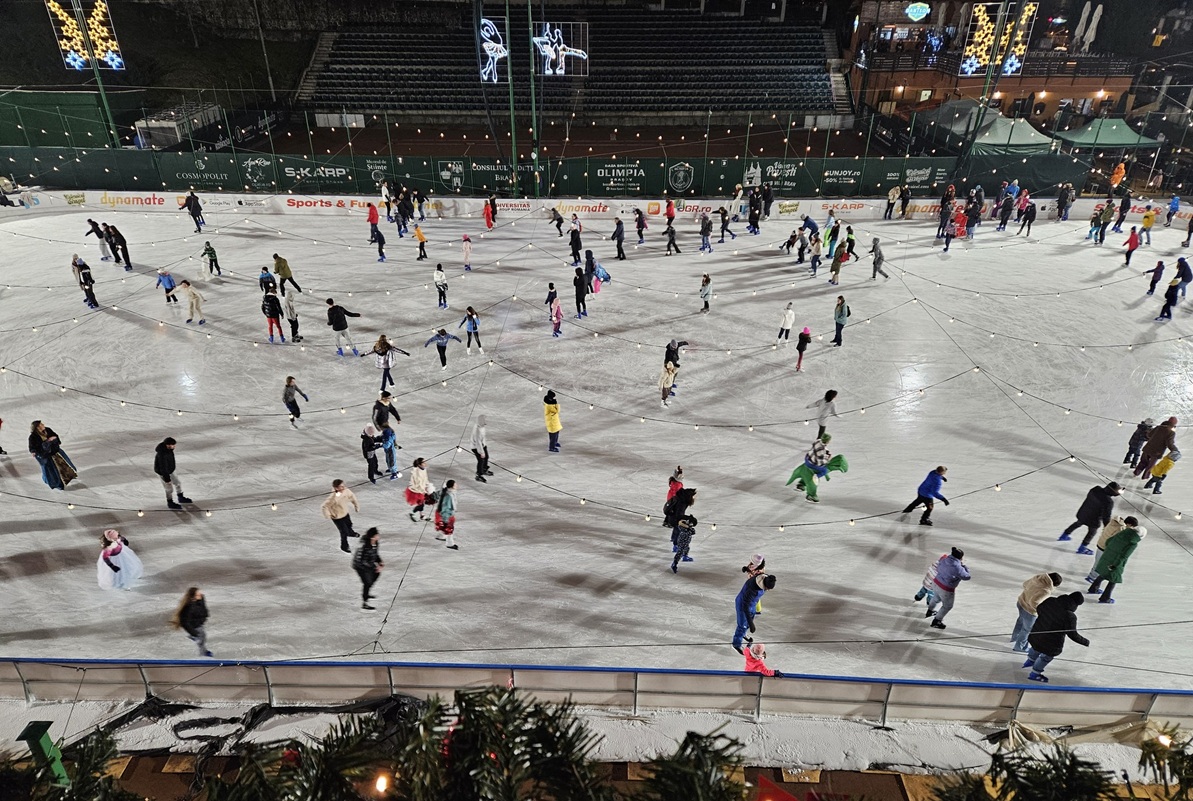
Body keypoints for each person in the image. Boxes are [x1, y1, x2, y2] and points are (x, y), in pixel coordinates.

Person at [1023, 592, 1089, 682]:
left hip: (1037, 632)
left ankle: (1030, 661)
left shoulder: (1050, 600)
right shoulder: (1069, 615)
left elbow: (1039, 609)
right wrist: (1085, 642)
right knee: (1046, 657)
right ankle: (1035, 673)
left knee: (1035, 646)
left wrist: (1046, 619)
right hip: (1051, 642)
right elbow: (1072, 634)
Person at [1088, 521, 1144, 603]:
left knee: (1104, 573)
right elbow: (1124, 556)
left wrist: (1110, 551)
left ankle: (1093, 588)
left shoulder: (1122, 533)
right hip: (1116, 562)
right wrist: (1116, 565)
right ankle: (1105, 598)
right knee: (1113, 579)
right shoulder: (1133, 543)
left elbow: (1108, 541)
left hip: (1107, 556)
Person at [1058, 481, 1121, 552]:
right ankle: (1082, 548)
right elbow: (1106, 516)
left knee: (1078, 523)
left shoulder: (1096, 489)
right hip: (1093, 520)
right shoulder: (1108, 502)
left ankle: (1064, 535)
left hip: (1083, 513)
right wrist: (1107, 527)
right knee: (1091, 532)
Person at [1010, 572, 1062, 652]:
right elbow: (1034, 602)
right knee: (1027, 630)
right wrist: (1042, 611)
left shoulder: (1037, 578)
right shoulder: (1046, 590)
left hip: (1021, 602)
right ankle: (1019, 647)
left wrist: (1029, 593)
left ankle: (1015, 638)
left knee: (1020, 621)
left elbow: (1025, 584)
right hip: (1029, 610)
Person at [926, 547, 969, 630]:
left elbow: (938, 566)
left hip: (936, 582)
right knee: (947, 606)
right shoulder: (957, 567)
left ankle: (929, 611)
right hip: (945, 589)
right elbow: (966, 577)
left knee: (936, 598)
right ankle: (937, 621)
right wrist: (965, 568)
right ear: (960, 558)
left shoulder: (944, 559)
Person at [732, 573, 776, 653]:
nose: (768, 590)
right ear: (765, 585)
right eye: (768, 588)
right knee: (742, 625)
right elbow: (745, 606)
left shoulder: (764, 578)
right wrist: (751, 624)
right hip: (743, 605)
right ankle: (736, 644)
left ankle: (743, 634)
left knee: (750, 618)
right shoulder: (753, 589)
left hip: (752, 604)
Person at [28, 421, 77, 490]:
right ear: (37, 427)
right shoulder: (33, 437)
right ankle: (56, 483)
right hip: (45, 455)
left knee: (65, 463)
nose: (43, 425)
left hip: (55, 451)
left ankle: (70, 475)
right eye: (41, 424)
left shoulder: (48, 430)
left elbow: (55, 436)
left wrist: (54, 440)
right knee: (51, 470)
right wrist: (33, 451)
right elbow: (32, 447)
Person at [320, 479, 360, 553]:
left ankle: (350, 533)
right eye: (341, 487)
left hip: (345, 513)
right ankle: (344, 546)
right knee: (344, 532)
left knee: (349, 524)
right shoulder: (333, 498)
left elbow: (352, 497)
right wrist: (328, 515)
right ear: (336, 488)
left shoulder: (346, 491)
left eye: (343, 486)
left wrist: (356, 505)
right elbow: (324, 506)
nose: (343, 488)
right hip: (337, 517)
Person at [154, 437, 193, 511]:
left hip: (171, 470)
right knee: (169, 489)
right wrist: (167, 479)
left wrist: (172, 469)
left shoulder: (169, 450)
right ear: (168, 445)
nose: (174, 446)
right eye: (173, 445)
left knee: (178, 483)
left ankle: (180, 497)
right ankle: (170, 502)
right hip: (163, 473)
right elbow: (163, 468)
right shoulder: (161, 454)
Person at [172, 587, 213, 657]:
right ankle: (202, 655)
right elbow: (184, 622)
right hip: (194, 626)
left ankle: (204, 652)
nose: (201, 596)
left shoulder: (199, 602)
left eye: (200, 594)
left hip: (199, 624)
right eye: (198, 595)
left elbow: (205, 612)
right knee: (200, 639)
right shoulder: (189, 607)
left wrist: (202, 601)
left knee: (203, 637)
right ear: (193, 596)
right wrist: (193, 633)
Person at [354, 528, 384, 610]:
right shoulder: (364, 546)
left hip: (368, 564)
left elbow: (375, 554)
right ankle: (365, 603)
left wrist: (380, 562)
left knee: (376, 574)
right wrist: (374, 567)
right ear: (372, 537)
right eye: (377, 535)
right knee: (367, 582)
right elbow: (361, 560)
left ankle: (366, 592)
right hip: (359, 566)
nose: (378, 536)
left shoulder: (375, 543)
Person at [434, 479, 459, 549]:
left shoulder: (447, 492)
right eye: (455, 484)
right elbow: (446, 507)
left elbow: (437, 494)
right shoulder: (449, 495)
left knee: (445, 527)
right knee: (449, 529)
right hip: (447, 515)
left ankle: (441, 535)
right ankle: (449, 543)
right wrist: (445, 518)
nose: (457, 485)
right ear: (452, 486)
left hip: (445, 514)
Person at [471, 414, 492, 482]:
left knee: (486, 457)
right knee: (481, 460)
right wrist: (481, 452)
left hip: (482, 445)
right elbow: (478, 442)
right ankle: (479, 475)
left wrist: (484, 445)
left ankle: (484, 470)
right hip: (476, 447)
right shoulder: (477, 430)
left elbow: (482, 438)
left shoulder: (481, 427)